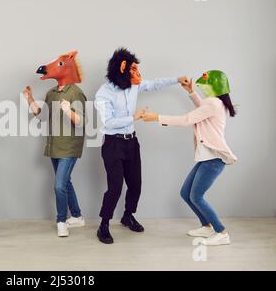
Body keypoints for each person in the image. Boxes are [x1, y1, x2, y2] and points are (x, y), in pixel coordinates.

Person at [95, 47, 190, 244]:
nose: (137, 74)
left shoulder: (134, 84)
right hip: (113, 144)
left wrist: (177, 79)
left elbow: (153, 84)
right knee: (115, 188)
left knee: (136, 184)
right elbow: (107, 123)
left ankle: (128, 215)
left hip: (131, 142)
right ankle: (104, 224)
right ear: (122, 69)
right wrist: (133, 117)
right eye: (133, 69)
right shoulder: (104, 93)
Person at [142, 70, 237, 246]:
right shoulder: (216, 103)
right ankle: (206, 227)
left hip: (213, 160)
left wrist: (157, 117)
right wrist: (191, 92)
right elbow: (202, 111)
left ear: (213, 86)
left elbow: (187, 119)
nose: (202, 89)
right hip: (207, 158)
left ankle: (221, 232)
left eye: (204, 86)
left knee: (196, 196)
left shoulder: (213, 103)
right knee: (186, 194)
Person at [22, 50, 86, 237]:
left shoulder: (76, 93)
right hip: (54, 145)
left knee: (59, 185)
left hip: (69, 146)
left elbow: (81, 122)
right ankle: (77, 216)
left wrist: (68, 111)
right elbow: (40, 114)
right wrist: (29, 99)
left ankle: (61, 221)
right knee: (66, 182)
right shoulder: (51, 93)